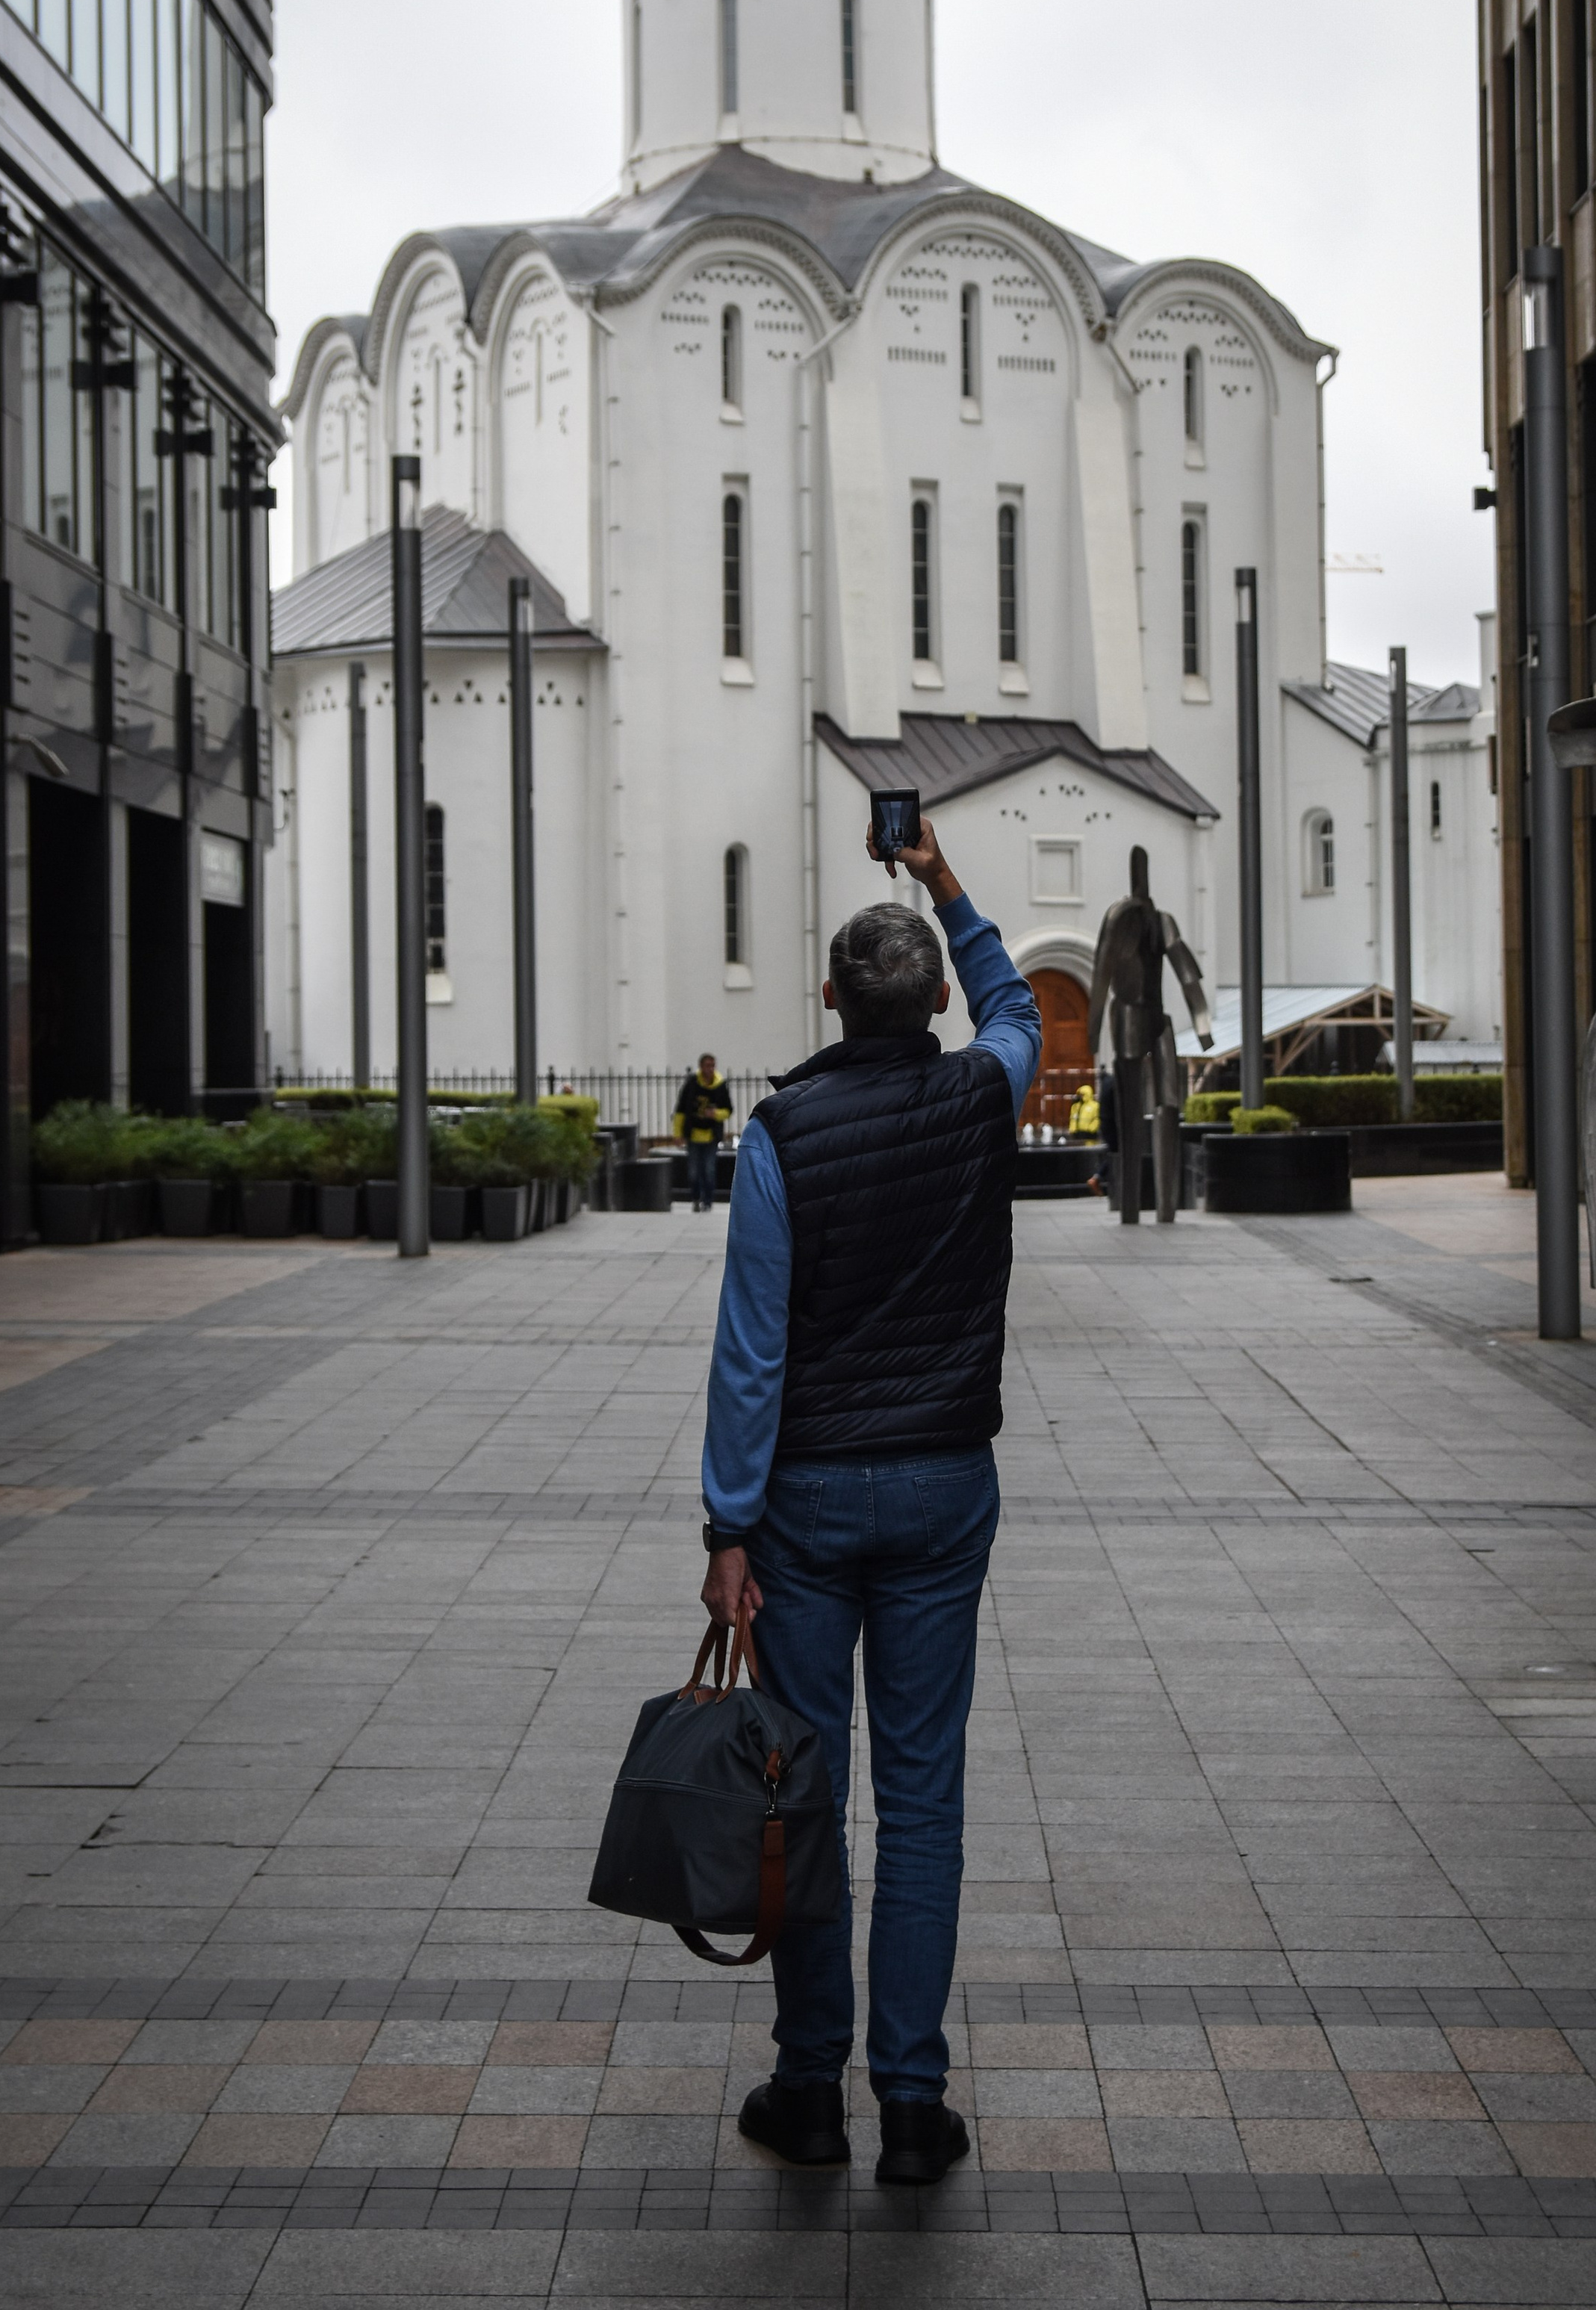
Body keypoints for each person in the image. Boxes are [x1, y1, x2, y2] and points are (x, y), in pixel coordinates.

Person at [698, 815, 1040, 2185]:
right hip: (945, 1489)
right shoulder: (983, 1093)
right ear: (937, 997)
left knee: (804, 1792)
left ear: (831, 999)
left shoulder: (780, 1133)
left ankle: (807, 2089)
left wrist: (729, 1525)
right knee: (923, 1800)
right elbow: (1019, 1008)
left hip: (806, 1506)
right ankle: (910, 2102)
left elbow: (752, 1349)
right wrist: (944, 878)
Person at [674, 1054, 734, 1211]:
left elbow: (728, 1110)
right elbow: (680, 1110)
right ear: (701, 1067)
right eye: (707, 1066)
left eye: (713, 1066)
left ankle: (707, 1201)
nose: (710, 1069)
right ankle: (696, 1198)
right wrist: (678, 1134)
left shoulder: (720, 1086)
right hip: (693, 1134)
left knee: (709, 1170)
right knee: (693, 1171)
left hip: (711, 1136)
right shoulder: (692, 1084)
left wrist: (715, 1114)